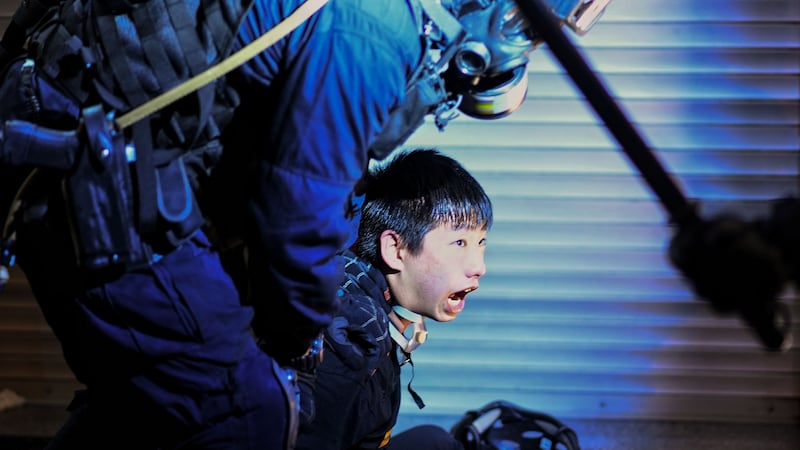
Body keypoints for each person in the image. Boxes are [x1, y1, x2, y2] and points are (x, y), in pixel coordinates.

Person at [0, 1, 610, 449]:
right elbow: (300, 215)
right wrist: (297, 344)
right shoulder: (371, 29)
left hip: (114, 155)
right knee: (246, 411)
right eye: (527, 23)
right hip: (90, 169)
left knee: (158, 393)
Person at [295, 148, 492, 450]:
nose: (479, 266)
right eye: (459, 242)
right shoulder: (347, 348)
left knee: (436, 442)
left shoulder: (365, 297)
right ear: (395, 250)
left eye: (480, 242)